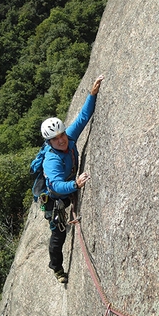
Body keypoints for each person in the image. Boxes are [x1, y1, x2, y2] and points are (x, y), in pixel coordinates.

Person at [40, 75, 103, 283]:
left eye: (62, 135)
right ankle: (56, 268)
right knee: (58, 235)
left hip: (69, 187)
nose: (61, 140)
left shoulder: (68, 137)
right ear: (49, 142)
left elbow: (83, 117)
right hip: (57, 197)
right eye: (56, 139)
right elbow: (56, 184)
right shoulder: (51, 160)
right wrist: (75, 185)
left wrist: (92, 94)